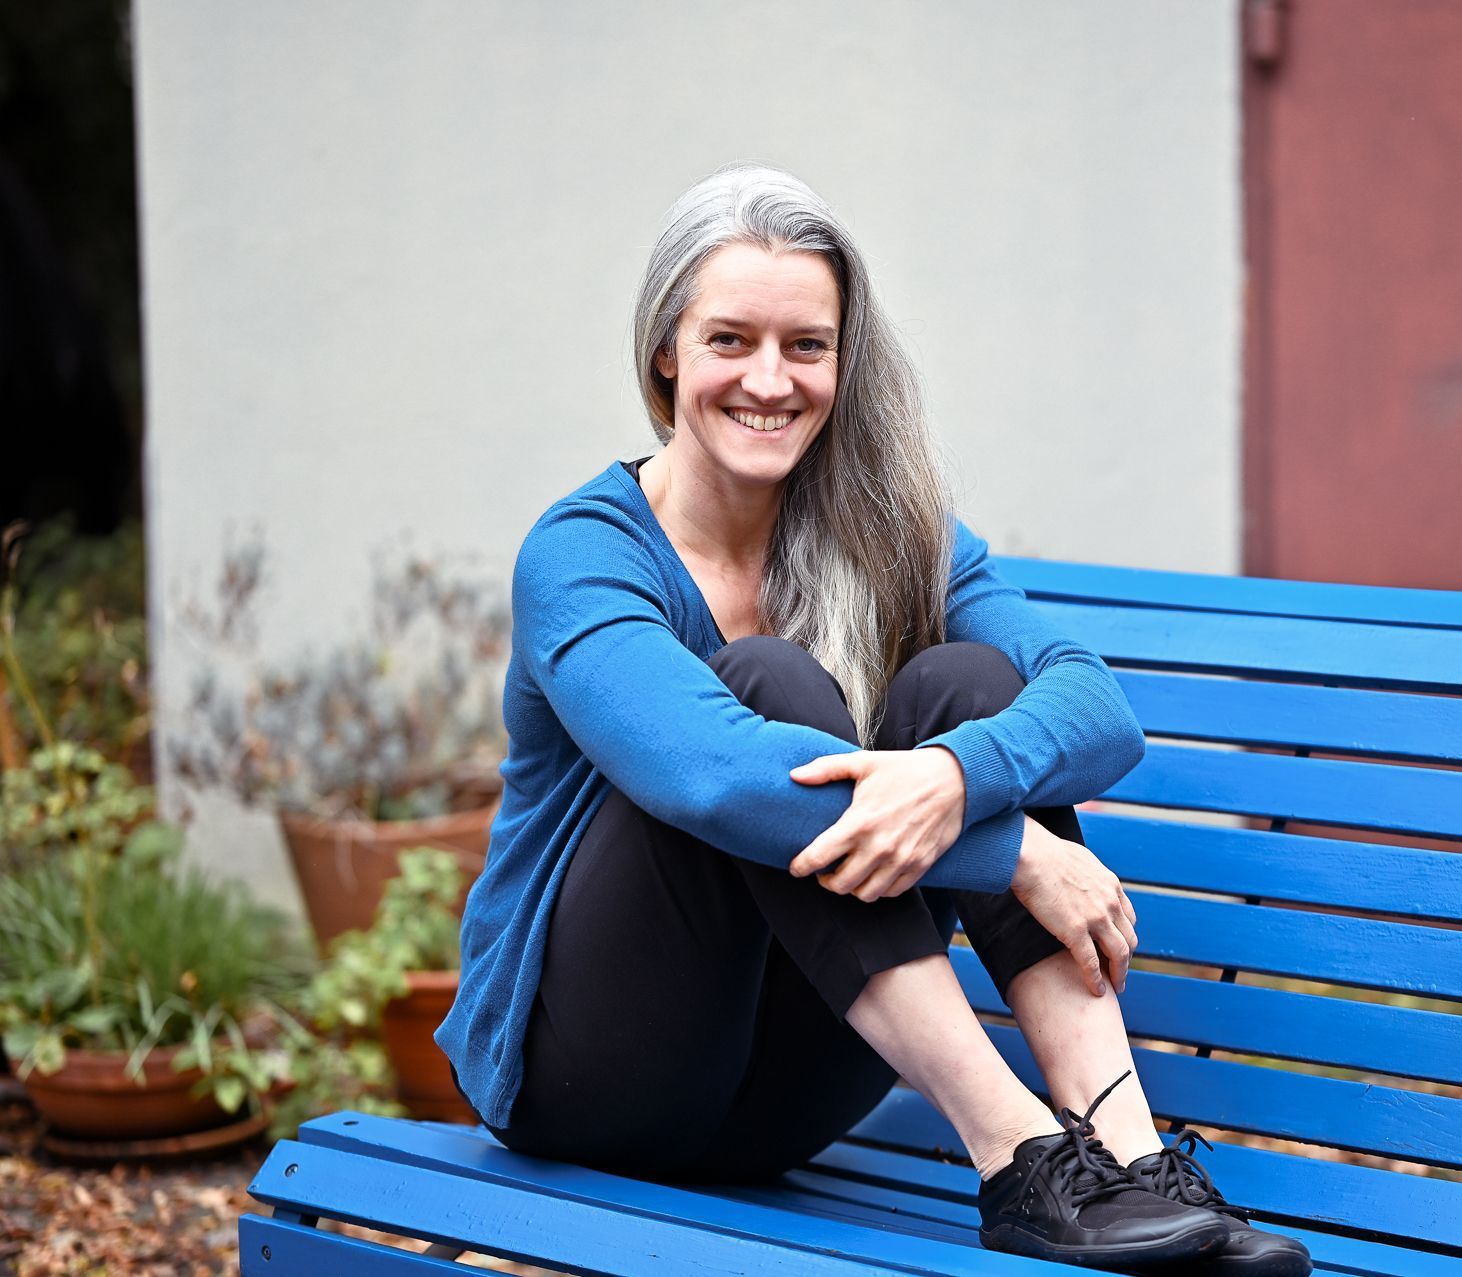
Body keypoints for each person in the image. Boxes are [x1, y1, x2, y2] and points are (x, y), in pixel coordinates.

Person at [436, 162, 1312, 1274]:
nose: (770, 379)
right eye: (729, 340)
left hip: (785, 1094)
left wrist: (955, 776)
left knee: (967, 687)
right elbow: (717, 776)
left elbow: (1096, 708)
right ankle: (1020, 1157)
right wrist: (1015, 850)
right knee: (770, 685)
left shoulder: (890, 532)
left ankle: (1133, 1163)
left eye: (806, 344)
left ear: (844, 360)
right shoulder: (584, 554)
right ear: (665, 351)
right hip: (593, 1082)